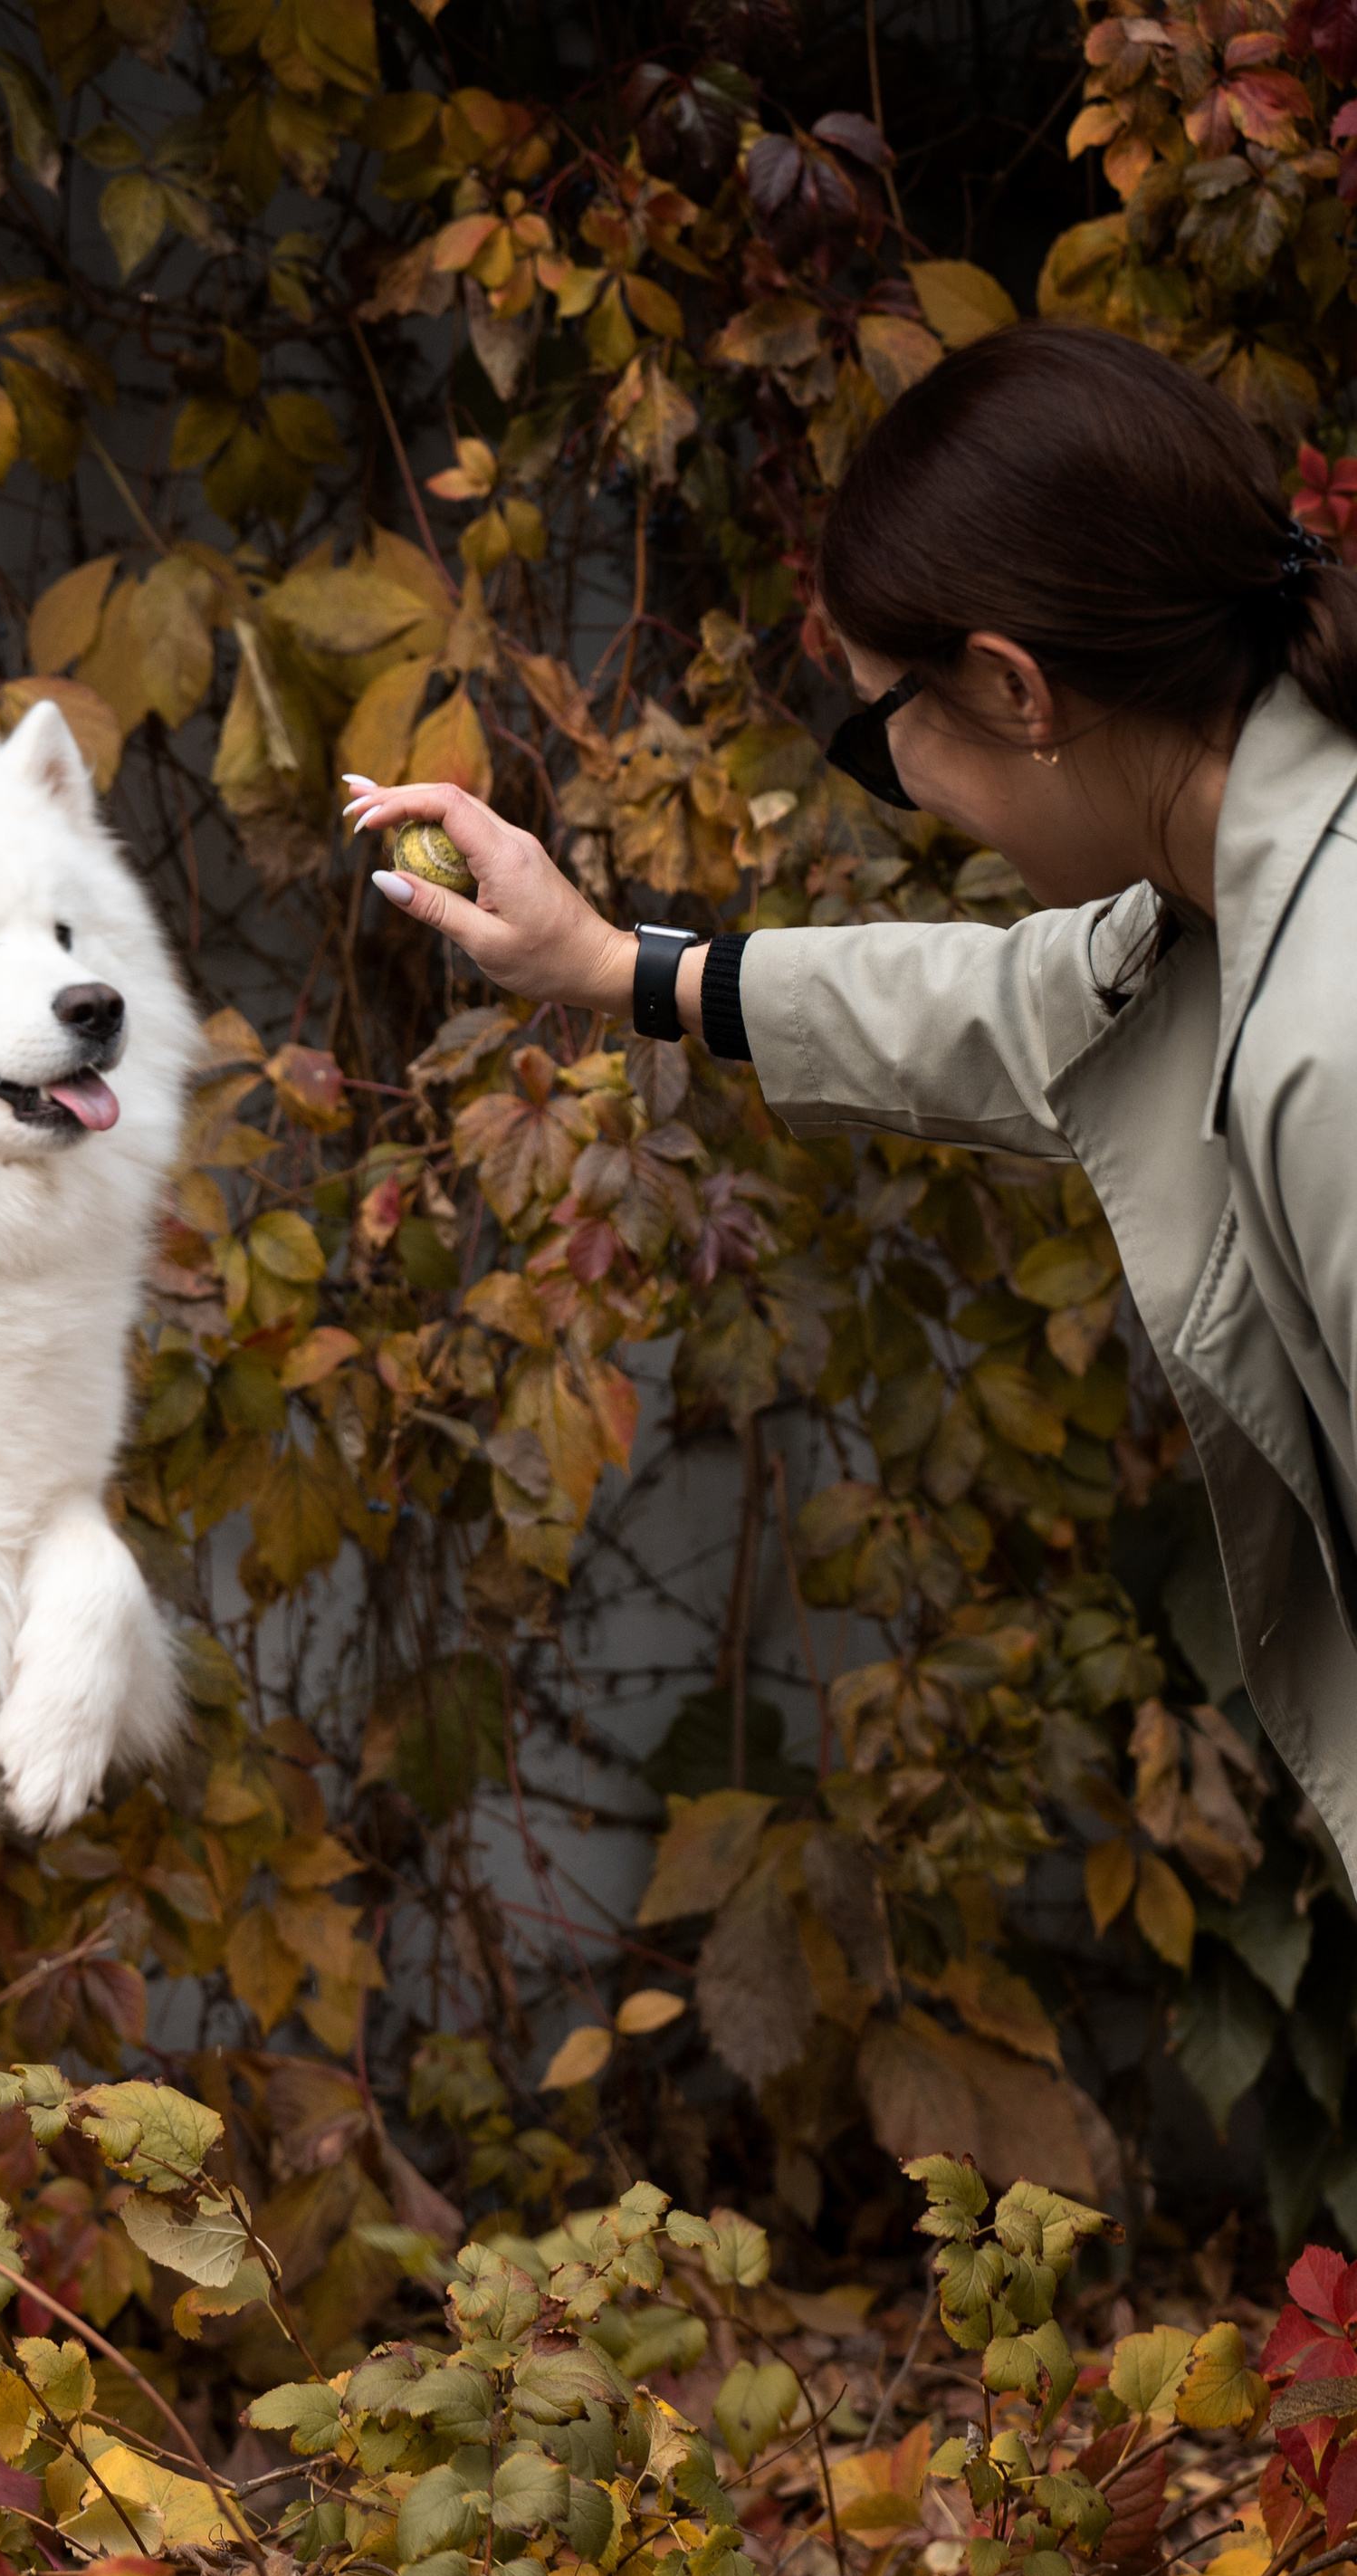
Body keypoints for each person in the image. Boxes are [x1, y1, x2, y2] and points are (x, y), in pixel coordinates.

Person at [345, 319, 1357, 1890]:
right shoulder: (1246, 874)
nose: (902, 786)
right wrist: (614, 966)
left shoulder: (1331, 1036)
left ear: (1015, 688)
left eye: (887, 730)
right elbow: (1023, 1008)